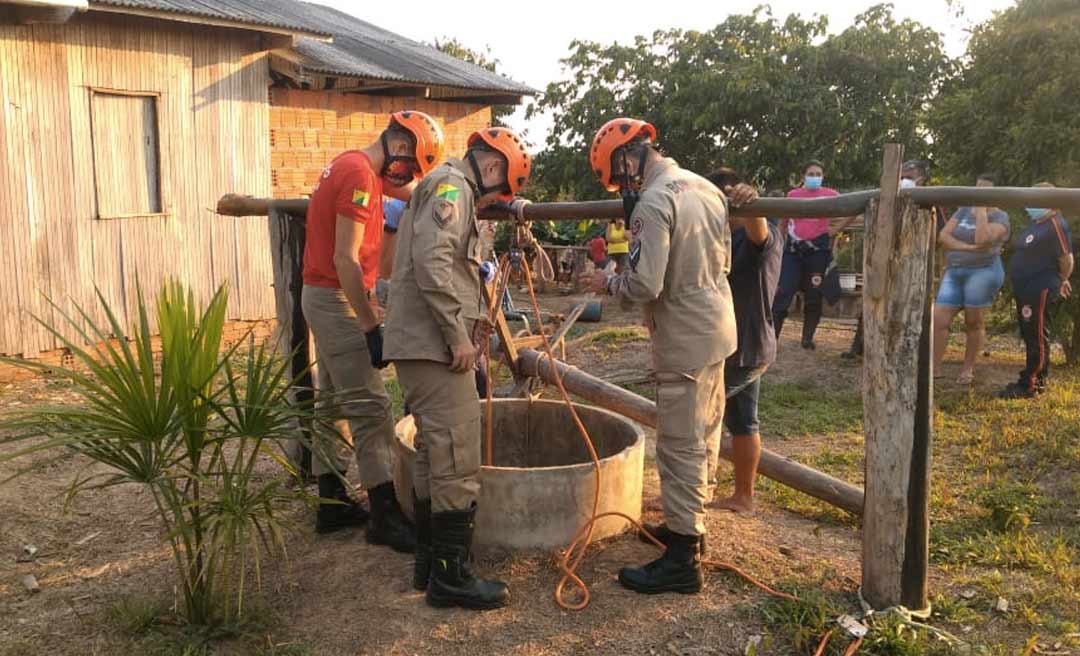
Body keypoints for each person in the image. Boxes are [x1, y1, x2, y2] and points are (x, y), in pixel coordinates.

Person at [586, 118, 736, 595]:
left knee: (680, 443)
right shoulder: (705, 187)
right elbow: (726, 259)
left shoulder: (654, 201)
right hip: (716, 322)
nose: (622, 185)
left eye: (619, 174)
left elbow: (645, 283)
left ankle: (682, 558)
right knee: (705, 434)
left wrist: (608, 283)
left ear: (628, 157)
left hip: (683, 336)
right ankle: (691, 531)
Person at [384, 127, 532, 610]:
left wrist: (475, 321)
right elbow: (432, 260)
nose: (497, 201)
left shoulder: (446, 185)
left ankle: (429, 565)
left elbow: (449, 265)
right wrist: (455, 335)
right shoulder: (453, 188)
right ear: (492, 168)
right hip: (434, 346)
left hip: (420, 344)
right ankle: (452, 577)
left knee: (432, 454)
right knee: (456, 458)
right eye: (502, 189)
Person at [301, 110, 444, 552]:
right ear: (398, 146)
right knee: (371, 405)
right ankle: (384, 514)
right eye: (413, 162)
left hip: (320, 294)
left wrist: (443, 191)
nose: (409, 174)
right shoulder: (361, 176)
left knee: (333, 403)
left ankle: (331, 501)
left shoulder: (353, 165)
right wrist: (368, 323)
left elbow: (408, 190)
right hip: (336, 297)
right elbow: (345, 258)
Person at [999, 183, 1074, 398]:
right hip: (1026, 289)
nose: (1031, 204)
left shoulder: (1055, 223)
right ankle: (1029, 378)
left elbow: (1066, 259)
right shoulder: (1035, 225)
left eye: (1036, 198)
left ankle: (1032, 384)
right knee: (1030, 334)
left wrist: (1061, 279)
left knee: (1037, 336)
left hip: (1040, 288)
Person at [933, 174, 1010, 384]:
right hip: (955, 270)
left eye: (985, 190)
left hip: (983, 271)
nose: (978, 193)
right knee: (939, 319)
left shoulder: (1001, 217)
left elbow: (983, 239)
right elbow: (943, 236)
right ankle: (934, 368)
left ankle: (967, 370)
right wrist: (966, 247)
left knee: (973, 321)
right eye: (977, 188)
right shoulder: (964, 210)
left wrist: (982, 211)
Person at [773, 161, 852, 350]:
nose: (815, 177)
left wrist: (836, 229)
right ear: (803, 176)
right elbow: (782, 224)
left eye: (819, 174)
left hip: (818, 252)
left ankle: (807, 338)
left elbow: (852, 209)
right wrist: (777, 246)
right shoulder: (793, 195)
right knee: (783, 292)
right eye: (811, 174)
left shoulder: (830, 195)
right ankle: (771, 338)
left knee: (814, 295)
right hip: (793, 251)